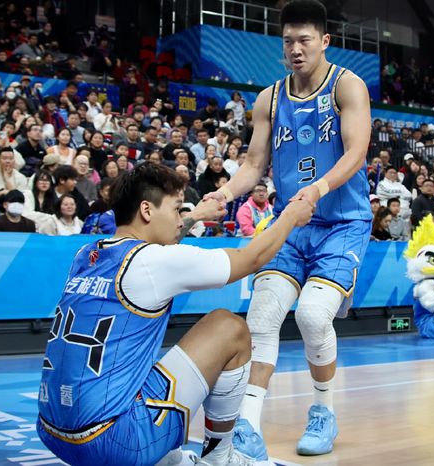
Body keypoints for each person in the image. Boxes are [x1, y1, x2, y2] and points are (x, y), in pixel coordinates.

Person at [36, 163, 314, 466]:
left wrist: (196, 216)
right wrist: (290, 217)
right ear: (146, 210)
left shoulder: (86, 254)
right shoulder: (151, 261)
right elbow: (251, 258)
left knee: (133, 365)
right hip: (113, 443)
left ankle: (165, 458)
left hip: (53, 433)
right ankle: (219, 457)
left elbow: (159, 246)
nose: (179, 218)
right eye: (176, 209)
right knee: (229, 327)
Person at [204, 0, 372, 458]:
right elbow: (254, 164)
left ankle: (323, 412)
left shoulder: (347, 85)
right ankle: (247, 426)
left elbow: (356, 152)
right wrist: (224, 194)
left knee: (312, 317)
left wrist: (317, 190)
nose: (296, 49)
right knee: (261, 316)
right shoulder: (269, 98)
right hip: (290, 223)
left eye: (305, 40)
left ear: (325, 41)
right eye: (288, 42)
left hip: (342, 222)